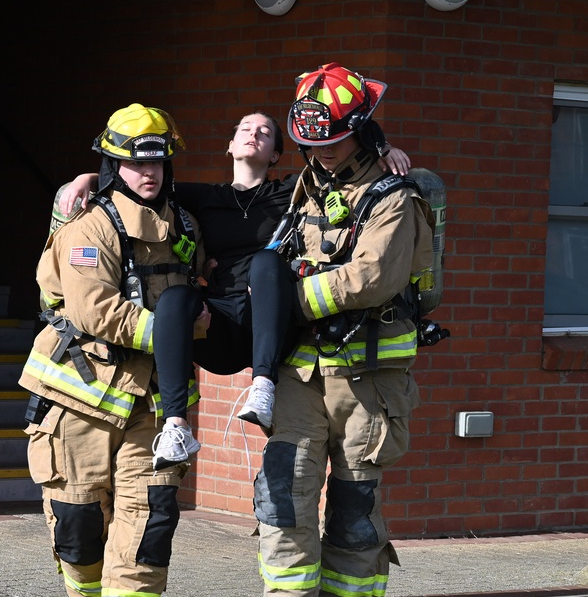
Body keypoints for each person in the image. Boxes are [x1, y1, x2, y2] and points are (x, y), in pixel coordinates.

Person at [59, 113, 410, 470]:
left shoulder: (292, 191)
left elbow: (341, 169)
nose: (253, 135)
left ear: (275, 154)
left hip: (271, 324)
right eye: (245, 129)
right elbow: (138, 180)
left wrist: (382, 148)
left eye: (264, 132)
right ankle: (175, 426)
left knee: (266, 261)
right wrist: (86, 178)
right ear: (230, 147)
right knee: (175, 298)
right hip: (221, 324)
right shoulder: (203, 198)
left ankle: (263, 388)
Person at [244, 63, 435, 597]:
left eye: (333, 141)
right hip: (301, 370)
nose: (322, 153)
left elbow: (373, 277)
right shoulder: (307, 185)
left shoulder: (394, 196)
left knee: (355, 496)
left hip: (368, 376)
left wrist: (288, 304)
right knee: (284, 486)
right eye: (312, 144)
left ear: (363, 131)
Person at [18, 103, 205, 597]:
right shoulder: (89, 226)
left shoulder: (187, 227)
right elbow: (96, 311)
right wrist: (174, 334)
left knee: (150, 512)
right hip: (79, 397)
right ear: (112, 164)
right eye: (135, 163)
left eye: (159, 163)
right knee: (77, 523)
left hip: (152, 405)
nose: (150, 173)